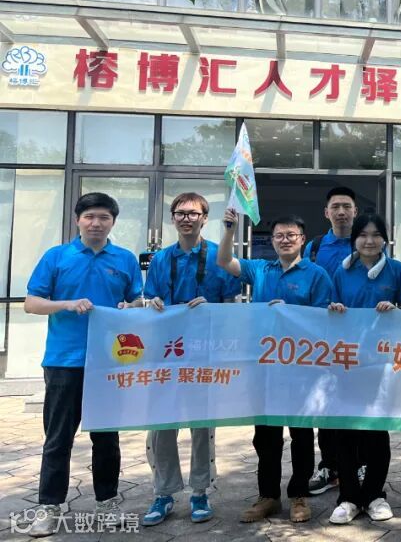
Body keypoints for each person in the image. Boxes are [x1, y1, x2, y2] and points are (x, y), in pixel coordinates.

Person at [23, 193, 143, 538]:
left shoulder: (124, 259)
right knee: (58, 438)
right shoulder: (57, 256)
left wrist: (131, 307)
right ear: (78, 220)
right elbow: (32, 302)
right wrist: (65, 304)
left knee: (106, 437)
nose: (96, 223)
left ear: (113, 222)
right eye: (90, 216)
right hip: (65, 360)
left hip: (109, 362)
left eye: (104, 217)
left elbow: (137, 299)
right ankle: (49, 506)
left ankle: (107, 501)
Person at [218, 209, 334, 524]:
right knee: (266, 435)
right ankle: (268, 496)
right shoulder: (260, 269)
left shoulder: (317, 275)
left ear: (302, 239)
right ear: (271, 240)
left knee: (301, 435)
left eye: (291, 235)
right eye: (279, 236)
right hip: (264, 367)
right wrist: (229, 229)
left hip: (301, 369)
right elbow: (225, 261)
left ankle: (299, 495)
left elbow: (323, 320)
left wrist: (290, 313)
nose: (285, 240)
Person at [138, 192, 242, 527]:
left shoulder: (219, 257)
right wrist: (152, 304)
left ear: (204, 218)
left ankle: (200, 491)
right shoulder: (160, 259)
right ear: (172, 218)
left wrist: (212, 310)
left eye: (193, 213)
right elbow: (150, 299)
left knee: (202, 425)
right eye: (180, 213)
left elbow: (231, 306)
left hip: (204, 354)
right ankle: (163, 492)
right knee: (161, 426)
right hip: (165, 354)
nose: (186, 218)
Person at [327, 211, 401, 525]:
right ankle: (349, 497)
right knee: (345, 429)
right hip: (348, 363)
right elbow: (330, 311)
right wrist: (335, 309)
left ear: (385, 240)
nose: (369, 241)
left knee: (376, 430)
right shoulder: (342, 271)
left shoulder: (396, 270)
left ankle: (375, 495)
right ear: (354, 240)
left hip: (381, 363)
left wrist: (395, 310)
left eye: (376, 235)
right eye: (363, 235)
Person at [305, 186, 359, 496]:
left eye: (346, 206)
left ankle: (360, 464)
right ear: (326, 212)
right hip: (322, 340)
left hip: (358, 340)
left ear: (355, 211)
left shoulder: (366, 243)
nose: (341, 212)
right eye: (335, 206)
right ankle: (329, 466)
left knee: (357, 401)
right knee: (325, 403)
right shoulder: (314, 247)